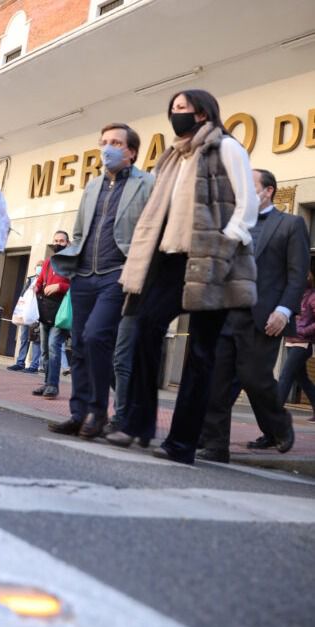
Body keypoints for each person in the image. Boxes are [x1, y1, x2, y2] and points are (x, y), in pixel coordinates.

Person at [107, 89, 258, 464]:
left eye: (182, 109)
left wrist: (226, 244)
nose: (175, 115)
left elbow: (247, 203)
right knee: (144, 327)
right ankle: (139, 423)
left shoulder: (226, 148)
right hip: (171, 258)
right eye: (172, 109)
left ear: (203, 113)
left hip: (212, 260)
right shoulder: (173, 156)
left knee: (202, 354)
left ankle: (182, 443)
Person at [49, 123, 154, 439]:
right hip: (84, 276)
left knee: (97, 337)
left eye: (116, 143)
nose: (107, 147)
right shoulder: (92, 185)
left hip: (117, 275)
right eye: (104, 142)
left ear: (131, 151)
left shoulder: (147, 184)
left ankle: (98, 411)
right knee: (79, 345)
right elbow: (80, 231)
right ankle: (78, 414)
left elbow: (150, 230)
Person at [196, 169, 309, 462]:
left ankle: (279, 425)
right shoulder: (233, 224)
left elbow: (296, 275)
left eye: (250, 185)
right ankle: (215, 444)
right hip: (225, 312)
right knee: (217, 381)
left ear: (268, 190)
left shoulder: (291, 224)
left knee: (255, 378)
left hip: (263, 315)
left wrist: (284, 310)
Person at [32, 232, 71, 400]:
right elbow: (40, 280)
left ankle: (53, 386)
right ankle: (47, 382)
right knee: (45, 350)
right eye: (56, 240)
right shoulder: (48, 262)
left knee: (54, 346)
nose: (58, 243)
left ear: (68, 243)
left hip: (61, 312)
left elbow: (75, 285)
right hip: (45, 309)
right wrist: (36, 287)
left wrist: (59, 286)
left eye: (61, 241)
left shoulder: (72, 262)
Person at [278, 274, 315, 423]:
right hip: (290, 341)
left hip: (302, 344)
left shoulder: (312, 297)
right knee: (302, 379)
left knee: (285, 376)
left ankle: (274, 414)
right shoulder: (293, 296)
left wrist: (302, 331)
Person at [7, 260, 43, 373]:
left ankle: (34, 365)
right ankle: (20, 362)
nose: (39, 268)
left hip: (36, 314)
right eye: (38, 266)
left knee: (36, 339)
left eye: (41, 266)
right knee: (23, 339)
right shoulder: (30, 279)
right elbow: (23, 295)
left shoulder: (45, 280)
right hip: (25, 313)